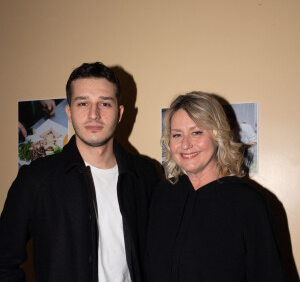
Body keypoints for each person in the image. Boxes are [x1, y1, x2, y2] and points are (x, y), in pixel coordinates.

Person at [0, 62, 159, 282]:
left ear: (120, 113)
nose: (94, 114)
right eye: (83, 103)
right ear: (69, 111)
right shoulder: (35, 179)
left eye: (104, 103)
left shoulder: (145, 175)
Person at [146, 91, 284, 281]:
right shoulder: (162, 196)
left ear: (218, 136)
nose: (185, 144)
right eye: (177, 135)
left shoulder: (248, 203)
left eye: (196, 133)